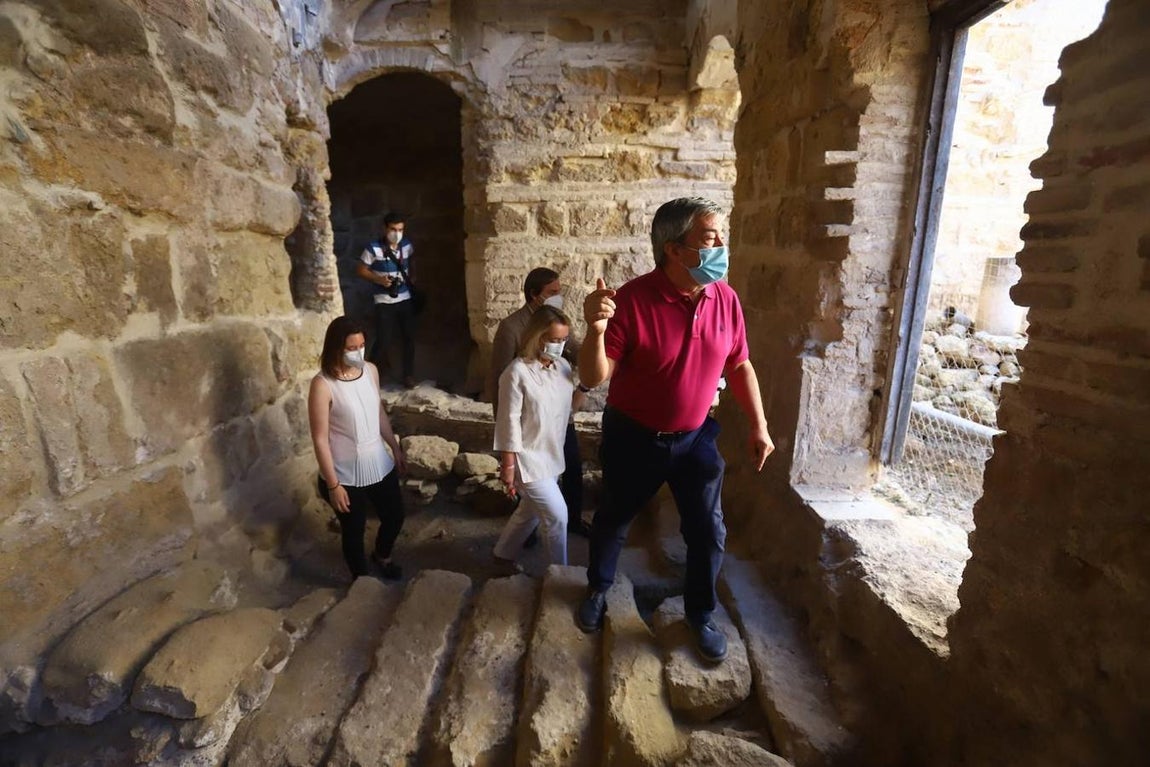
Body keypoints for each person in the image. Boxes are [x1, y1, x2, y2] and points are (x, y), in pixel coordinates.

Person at [574, 197, 775, 664]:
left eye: (719, 237)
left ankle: (700, 615)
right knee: (614, 517)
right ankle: (599, 588)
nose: (722, 246)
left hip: (696, 436)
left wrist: (759, 426)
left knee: (707, 530)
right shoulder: (632, 300)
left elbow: (740, 364)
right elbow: (594, 376)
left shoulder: (725, 298)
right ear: (673, 249)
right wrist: (596, 330)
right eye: (709, 239)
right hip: (634, 436)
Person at [489, 267, 591, 537]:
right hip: (529, 420)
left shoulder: (557, 323)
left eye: (559, 292)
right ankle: (533, 533)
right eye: (552, 293)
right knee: (531, 479)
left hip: (558, 417)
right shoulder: (511, 327)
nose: (558, 297)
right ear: (535, 295)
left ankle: (574, 520)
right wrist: (505, 441)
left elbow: (577, 351)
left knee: (571, 468)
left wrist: (598, 351)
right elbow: (499, 377)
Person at [308, 315, 407, 580]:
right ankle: (361, 579)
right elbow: (320, 438)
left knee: (395, 515)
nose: (358, 352)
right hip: (345, 471)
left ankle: (382, 556)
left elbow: (378, 413)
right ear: (335, 348)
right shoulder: (323, 385)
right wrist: (333, 484)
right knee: (354, 529)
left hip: (378, 460)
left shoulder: (371, 371)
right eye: (351, 348)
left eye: (361, 345)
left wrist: (394, 448)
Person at [492, 306, 579, 570]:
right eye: (553, 340)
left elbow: (569, 408)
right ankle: (559, 574)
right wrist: (508, 467)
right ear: (537, 337)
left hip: (552, 454)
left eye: (563, 340)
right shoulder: (516, 373)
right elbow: (508, 421)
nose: (559, 346)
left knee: (528, 512)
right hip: (527, 458)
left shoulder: (562, 367)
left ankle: (502, 557)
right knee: (558, 516)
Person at [357, 212, 418, 388]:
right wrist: (378, 280)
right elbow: (361, 270)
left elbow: (412, 260)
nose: (397, 233)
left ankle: (409, 375)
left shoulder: (406, 245)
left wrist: (413, 276)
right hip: (383, 299)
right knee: (384, 339)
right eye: (393, 229)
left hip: (405, 297)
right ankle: (369, 376)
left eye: (400, 229)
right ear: (385, 228)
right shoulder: (373, 248)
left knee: (409, 337)